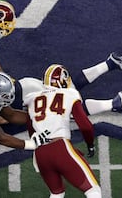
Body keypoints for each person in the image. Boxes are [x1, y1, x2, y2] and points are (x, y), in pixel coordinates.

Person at [24, 64, 101, 198]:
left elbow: (31, 129)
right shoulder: (69, 94)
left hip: (40, 153)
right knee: (93, 191)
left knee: (56, 194)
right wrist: (90, 144)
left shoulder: (32, 98)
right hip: (60, 147)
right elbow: (85, 126)